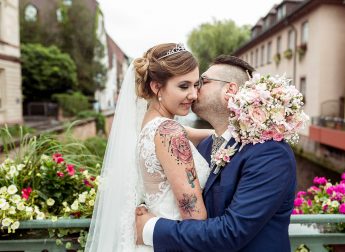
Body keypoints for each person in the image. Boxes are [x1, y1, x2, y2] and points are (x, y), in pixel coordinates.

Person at [136, 55, 297, 252]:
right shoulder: (204, 145)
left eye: (201, 82)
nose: (194, 91)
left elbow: (231, 232)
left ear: (229, 90)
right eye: (189, 85)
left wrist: (150, 228)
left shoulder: (270, 154)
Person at [85, 43, 213, 251]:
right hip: (175, 242)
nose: (194, 94)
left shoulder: (150, 124)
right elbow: (195, 217)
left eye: (196, 85)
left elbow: (206, 135)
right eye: (183, 86)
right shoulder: (170, 132)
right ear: (156, 87)